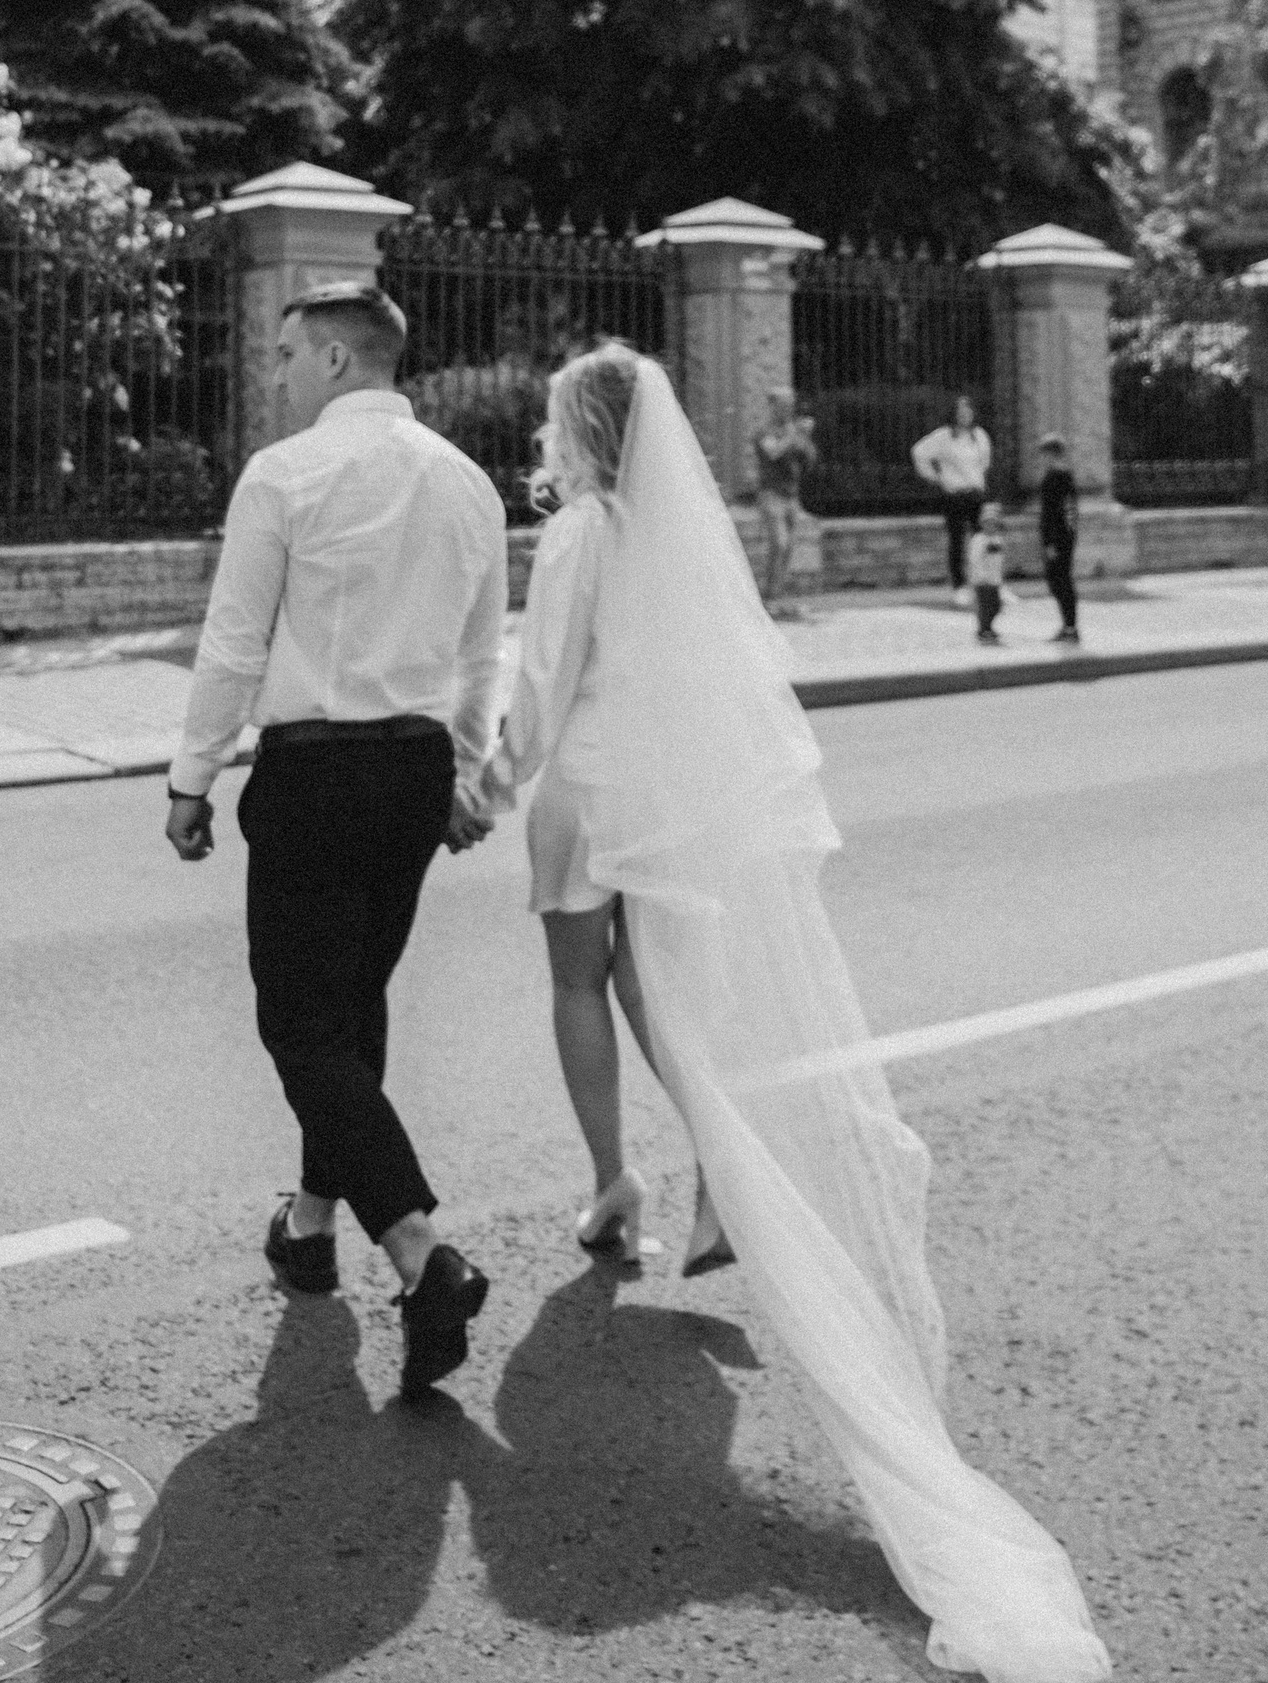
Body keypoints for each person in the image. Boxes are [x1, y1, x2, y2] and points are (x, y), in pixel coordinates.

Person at [481, 345, 1111, 1683]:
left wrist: (490, 773)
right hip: (666, 795)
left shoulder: (582, 530)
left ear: (579, 430)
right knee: (656, 990)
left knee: (577, 978)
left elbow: (546, 679)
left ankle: (614, 1185)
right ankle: (719, 1158)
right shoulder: (676, 531)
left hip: (587, 788)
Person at [165, 280, 504, 1404]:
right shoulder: (466, 481)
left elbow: (233, 642)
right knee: (351, 1006)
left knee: (300, 1023)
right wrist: (463, 772)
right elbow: (483, 655)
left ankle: (418, 1250)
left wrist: (191, 775)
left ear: (339, 361)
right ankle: (311, 1226)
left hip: (314, 770)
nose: (276, 374)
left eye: (287, 354)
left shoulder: (285, 474)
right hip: (414, 772)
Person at [911, 393, 992, 591]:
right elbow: (919, 452)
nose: (965, 416)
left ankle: (986, 581)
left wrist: (976, 479)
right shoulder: (943, 436)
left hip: (976, 493)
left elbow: (984, 462)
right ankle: (960, 585)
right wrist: (936, 477)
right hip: (955, 495)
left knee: (983, 539)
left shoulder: (979, 435)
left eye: (968, 411)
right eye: (961, 412)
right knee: (957, 540)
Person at [752, 386, 817, 619]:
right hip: (771, 495)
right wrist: (794, 434)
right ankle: (769, 598)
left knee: (788, 547)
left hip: (791, 496)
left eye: (790, 405)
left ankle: (776, 597)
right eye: (783, 405)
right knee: (779, 543)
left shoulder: (793, 431)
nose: (788, 410)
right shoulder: (763, 431)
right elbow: (773, 453)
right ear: (772, 406)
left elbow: (809, 461)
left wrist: (806, 439)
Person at [1038, 433, 1080, 643]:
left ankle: (1070, 627)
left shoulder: (1055, 477)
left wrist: (1051, 542)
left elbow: (1053, 514)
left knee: (1059, 581)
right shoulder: (1065, 476)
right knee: (1061, 580)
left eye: (1044, 453)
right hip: (1065, 536)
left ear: (1051, 453)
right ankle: (1069, 626)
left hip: (1057, 538)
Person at [967, 500, 1008, 642]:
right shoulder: (978, 540)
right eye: (988, 523)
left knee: (995, 606)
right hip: (982, 580)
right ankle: (984, 629)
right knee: (985, 606)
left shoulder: (997, 539)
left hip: (994, 579)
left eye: (994, 523)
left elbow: (999, 559)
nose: (991, 526)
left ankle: (988, 627)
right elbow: (975, 559)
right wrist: (981, 576)